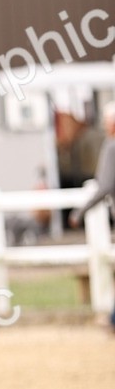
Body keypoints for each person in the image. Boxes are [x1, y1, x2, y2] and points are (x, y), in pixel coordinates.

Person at [69, 101, 115, 330]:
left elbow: (104, 185)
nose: (105, 126)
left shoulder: (112, 147)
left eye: (108, 122)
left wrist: (81, 212)